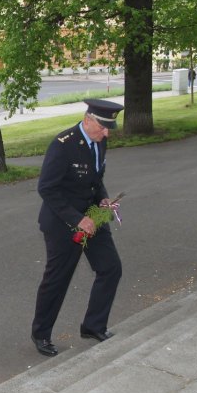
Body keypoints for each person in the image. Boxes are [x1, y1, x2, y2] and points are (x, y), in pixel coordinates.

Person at [31, 98, 125, 357]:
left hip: (93, 217)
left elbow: (96, 178)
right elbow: (46, 188)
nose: (106, 133)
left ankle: (93, 326)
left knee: (110, 268)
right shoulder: (63, 145)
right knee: (58, 279)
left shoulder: (99, 140)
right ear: (87, 120)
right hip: (63, 223)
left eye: (108, 129)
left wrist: (102, 199)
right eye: (102, 127)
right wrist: (76, 219)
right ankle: (41, 333)